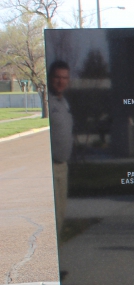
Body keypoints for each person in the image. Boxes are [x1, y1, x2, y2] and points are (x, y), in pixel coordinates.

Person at [47, 61, 73, 240]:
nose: (61, 81)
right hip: (50, 166)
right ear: (50, 78)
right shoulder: (46, 102)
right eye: (57, 77)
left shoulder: (64, 103)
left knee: (61, 214)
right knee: (53, 217)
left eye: (64, 78)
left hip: (63, 166)